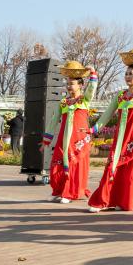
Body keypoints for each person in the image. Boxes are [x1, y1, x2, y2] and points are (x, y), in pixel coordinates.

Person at [88, 50, 133, 213]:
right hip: (121, 140)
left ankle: (126, 202)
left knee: (131, 175)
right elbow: (107, 114)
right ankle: (103, 201)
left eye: (131, 74)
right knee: (112, 168)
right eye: (126, 74)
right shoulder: (120, 96)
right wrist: (93, 129)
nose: (127, 76)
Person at [41, 64, 97, 203]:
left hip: (79, 139)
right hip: (64, 138)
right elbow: (53, 121)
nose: (68, 86)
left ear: (80, 85)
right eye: (67, 83)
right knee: (57, 163)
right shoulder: (63, 102)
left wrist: (93, 73)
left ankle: (70, 193)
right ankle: (59, 191)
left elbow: (92, 89)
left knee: (74, 165)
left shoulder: (84, 100)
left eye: (72, 84)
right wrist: (46, 140)